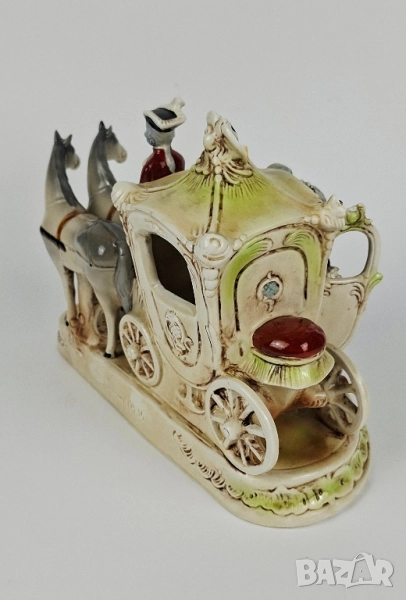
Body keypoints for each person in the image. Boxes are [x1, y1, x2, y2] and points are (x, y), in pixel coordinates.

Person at [140, 97, 186, 183]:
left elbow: (141, 188)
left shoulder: (150, 166)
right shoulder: (179, 159)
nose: (146, 134)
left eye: (148, 130)